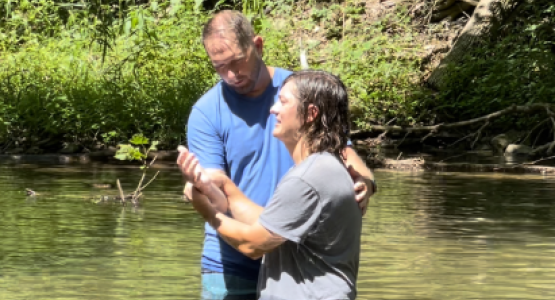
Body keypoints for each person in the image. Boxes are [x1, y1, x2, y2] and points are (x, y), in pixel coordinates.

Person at [182, 10, 376, 299]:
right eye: (219, 66)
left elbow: (338, 147)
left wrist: (365, 180)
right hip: (233, 259)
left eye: (236, 61)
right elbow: (218, 188)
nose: (231, 74)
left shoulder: (296, 91)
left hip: (298, 251)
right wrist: (203, 189)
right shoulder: (206, 111)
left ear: (257, 46)